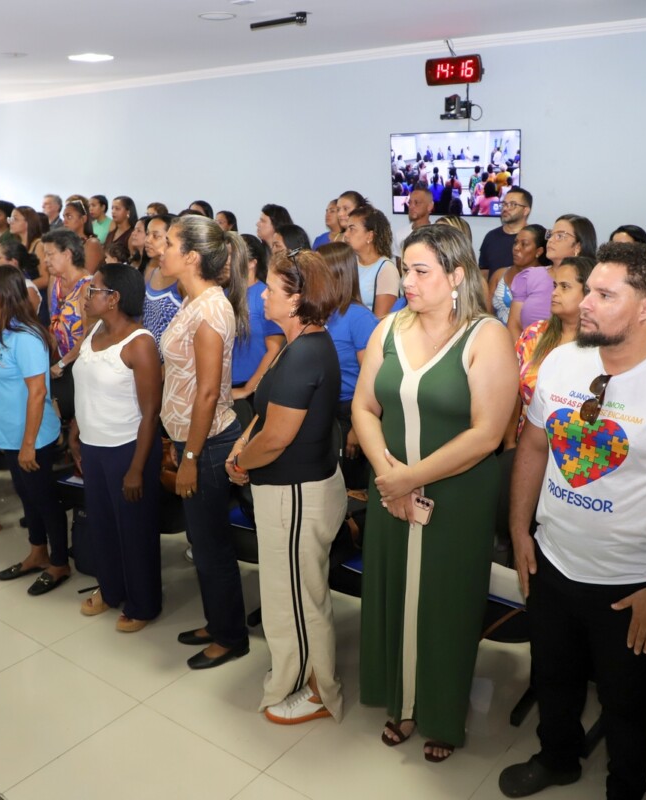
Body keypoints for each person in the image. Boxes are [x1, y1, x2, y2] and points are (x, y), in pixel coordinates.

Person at [500, 242, 646, 800]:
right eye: (588, 290)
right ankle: (557, 757)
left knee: (626, 700)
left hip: (633, 584)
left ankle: (626, 788)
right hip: (554, 559)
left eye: (605, 295)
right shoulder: (563, 360)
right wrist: (519, 530)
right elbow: (533, 446)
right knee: (552, 675)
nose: (585, 303)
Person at [354, 225, 517, 762]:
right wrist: (389, 475)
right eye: (405, 269)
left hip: (458, 496)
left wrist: (412, 477)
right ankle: (401, 702)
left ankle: (443, 713)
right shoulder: (389, 328)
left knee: (446, 603)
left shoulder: (485, 336)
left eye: (421, 271)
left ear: (456, 276)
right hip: (390, 488)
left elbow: (487, 433)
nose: (408, 281)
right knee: (394, 592)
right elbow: (364, 408)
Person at [225, 248, 347, 724]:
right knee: (288, 593)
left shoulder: (305, 354)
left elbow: (277, 438)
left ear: (296, 299)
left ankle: (319, 691)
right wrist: (243, 445)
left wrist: (242, 464)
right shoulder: (297, 345)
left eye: (272, 289)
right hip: (288, 489)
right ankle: (295, 674)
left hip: (295, 494)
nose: (262, 297)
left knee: (299, 597)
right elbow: (265, 414)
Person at [159, 214, 250, 670]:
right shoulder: (191, 300)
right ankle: (217, 623)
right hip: (190, 440)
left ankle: (231, 637)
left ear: (192, 256)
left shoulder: (212, 308)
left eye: (169, 243)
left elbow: (210, 392)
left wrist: (190, 457)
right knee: (203, 541)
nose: (161, 249)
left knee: (212, 546)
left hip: (208, 444)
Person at [71, 263, 164, 629]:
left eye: (94, 290)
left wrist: (137, 468)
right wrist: (76, 429)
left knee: (135, 531)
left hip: (127, 449)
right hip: (93, 446)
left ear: (114, 298)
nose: (87, 295)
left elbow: (151, 413)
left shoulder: (139, 344)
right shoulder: (95, 330)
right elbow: (86, 384)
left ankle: (143, 605)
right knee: (103, 525)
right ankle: (111, 589)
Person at [0, 266, 70, 595]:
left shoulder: (27, 337)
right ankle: (37, 552)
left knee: (44, 499)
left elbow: (38, 392)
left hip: (31, 436)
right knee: (27, 496)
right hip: (9, 434)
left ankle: (59, 563)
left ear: (2, 294)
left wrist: (29, 443)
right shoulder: (1, 331)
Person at [507, 256, 596, 447]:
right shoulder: (534, 334)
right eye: (555, 285)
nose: (554, 293)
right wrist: (509, 444)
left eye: (565, 287)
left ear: (588, 293)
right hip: (526, 444)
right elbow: (513, 395)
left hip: (578, 448)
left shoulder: (601, 345)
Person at [319, 242, 378, 491]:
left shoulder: (359, 318)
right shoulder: (322, 313)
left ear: (336, 275)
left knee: (350, 488)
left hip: (349, 411)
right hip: (324, 408)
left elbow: (372, 378)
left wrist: (357, 426)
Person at [41, 229, 92, 427]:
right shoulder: (55, 281)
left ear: (68, 254)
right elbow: (54, 322)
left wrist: (62, 363)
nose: (45, 260)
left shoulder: (87, 286)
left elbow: (89, 334)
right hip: (60, 359)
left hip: (82, 362)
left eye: (50, 254)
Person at [230, 234, 283, 403]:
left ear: (252, 263)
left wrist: (248, 389)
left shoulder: (264, 295)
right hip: (225, 386)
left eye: (233, 255)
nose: (227, 261)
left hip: (252, 388)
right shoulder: (223, 294)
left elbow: (275, 349)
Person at [343, 206, 399, 317]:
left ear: (369, 236)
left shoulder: (386, 269)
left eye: (352, 229)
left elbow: (381, 319)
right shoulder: (349, 262)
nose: (346, 234)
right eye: (346, 229)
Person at [488, 223, 548, 325]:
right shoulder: (499, 275)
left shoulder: (546, 279)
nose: (516, 248)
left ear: (539, 251)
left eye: (524, 244)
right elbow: (487, 314)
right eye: (515, 243)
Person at [141, 214, 183, 348]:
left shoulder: (181, 280)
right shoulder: (151, 272)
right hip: (149, 353)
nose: (148, 240)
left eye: (156, 236)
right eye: (147, 234)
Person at [478, 186, 533, 278]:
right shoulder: (491, 237)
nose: (505, 208)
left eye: (513, 204)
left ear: (525, 211)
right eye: (504, 204)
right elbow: (483, 273)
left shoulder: (536, 238)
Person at [62, 197, 103, 272]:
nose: (64, 221)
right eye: (64, 217)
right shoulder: (66, 243)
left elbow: (88, 276)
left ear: (83, 219)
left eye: (69, 217)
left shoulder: (92, 243)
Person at [393, 187, 433, 257]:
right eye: (410, 202)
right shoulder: (400, 235)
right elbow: (400, 263)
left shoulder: (438, 234)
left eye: (416, 203)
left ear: (429, 206)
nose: (411, 207)